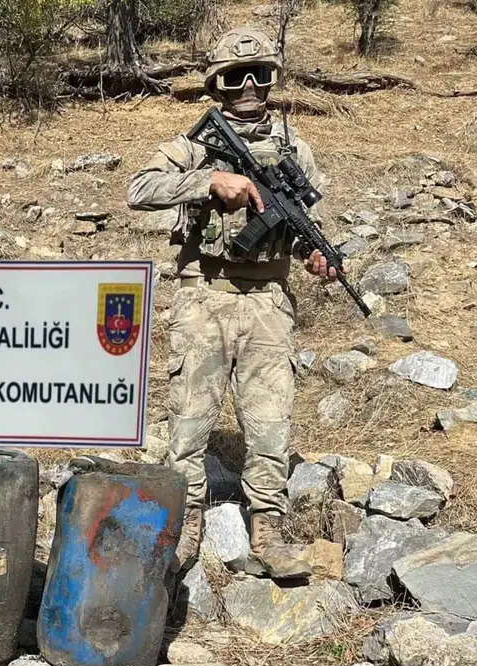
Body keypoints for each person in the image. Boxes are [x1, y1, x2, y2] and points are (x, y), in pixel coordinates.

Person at [126, 26, 339, 578]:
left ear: (272, 80)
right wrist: (208, 181)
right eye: (235, 76)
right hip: (204, 298)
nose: (248, 85)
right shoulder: (193, 146)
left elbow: (306, 225)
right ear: (216, 84)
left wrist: (316, 257)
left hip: (268, 301)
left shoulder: (294, 150)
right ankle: (183, 526)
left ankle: (267, 529)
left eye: (259, 74)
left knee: (269, 424)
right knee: (189, 424)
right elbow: (139, 189)